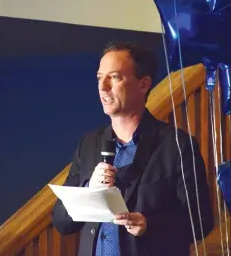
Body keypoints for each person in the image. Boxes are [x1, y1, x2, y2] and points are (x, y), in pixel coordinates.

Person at [51, 41, 214, 256]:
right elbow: (62, 222)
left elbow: (201, 222)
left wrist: (150, 225)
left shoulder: (177, 146)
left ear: (144, 84)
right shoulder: (89, 144)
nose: (103, 86)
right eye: (100, 78)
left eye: (115, 77)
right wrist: (89, 187)